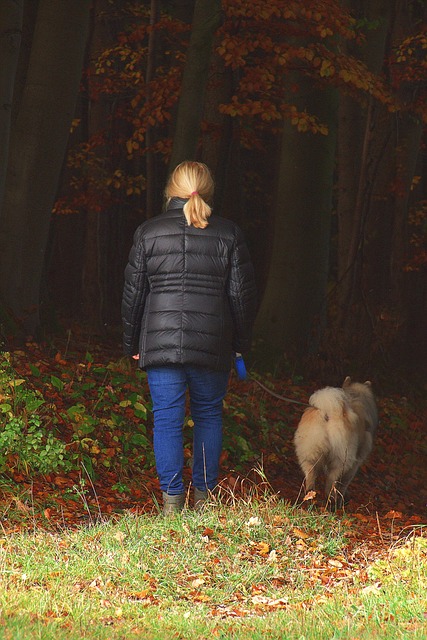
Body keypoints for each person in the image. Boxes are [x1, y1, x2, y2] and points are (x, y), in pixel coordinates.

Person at [121, 161, 257, 514]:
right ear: (208, 191)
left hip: (161, 344)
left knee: (166, 419)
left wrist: (131, 344)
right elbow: (242, 298)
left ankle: (171, 503)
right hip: (212, 343)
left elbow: (133, 294)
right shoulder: (228, 234)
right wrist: (241, 345)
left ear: (171, 191)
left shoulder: (148, 232)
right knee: (209, 416)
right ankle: (205, 502)